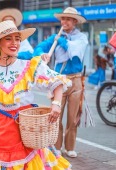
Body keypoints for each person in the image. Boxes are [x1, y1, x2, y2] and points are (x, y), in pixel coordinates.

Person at [0, 20, 72, 169]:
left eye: (17, 39)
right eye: (8, 39)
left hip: (27, 127)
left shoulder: (30, 66)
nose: (14, 43)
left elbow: (57, 82)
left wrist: (56, 104)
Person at [33, 7, 88, 158]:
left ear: (75, 22)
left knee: (72, 117)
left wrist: (63, 42)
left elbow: (76, 53)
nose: (65, 22)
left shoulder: (81, 38)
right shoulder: (54, 37)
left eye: (68, 19)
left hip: (76, 80)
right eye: (63, 19)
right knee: (55, 115)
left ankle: (69, 147)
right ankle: (56, 147)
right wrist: (42, 54)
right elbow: (39, 48)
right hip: (58, 81)